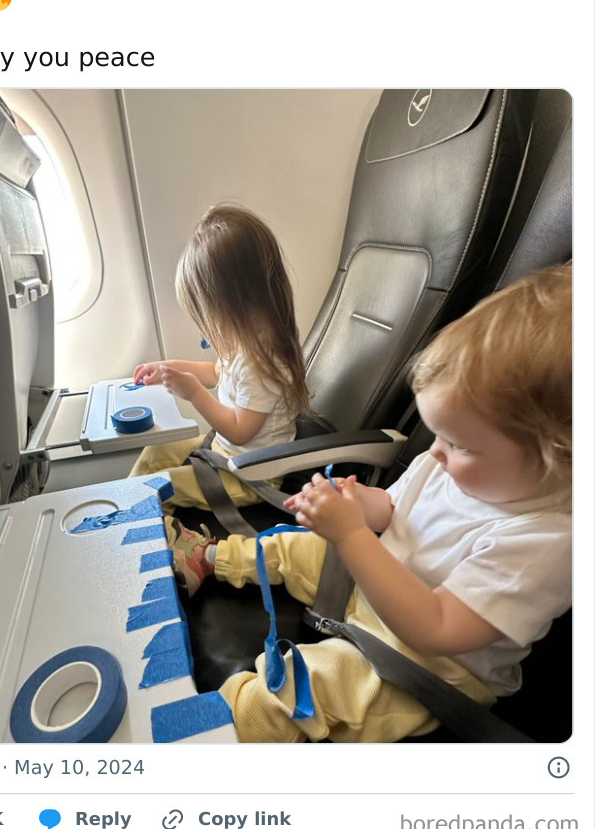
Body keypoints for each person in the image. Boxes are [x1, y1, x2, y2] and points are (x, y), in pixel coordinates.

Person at [167, 266, 572, 742]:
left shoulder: (546, 543)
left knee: (310, 682)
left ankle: (216, 733)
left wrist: (354, 536)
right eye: (437, 434)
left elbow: (435, 628)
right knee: (300, 547)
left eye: (461, 445)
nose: (435, 453)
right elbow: (392, 510)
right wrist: (358, 505)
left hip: (421, 667)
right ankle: (207, 558)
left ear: (561, 455)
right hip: (378, 591)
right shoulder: (445, 464)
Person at [130, 203, 310, 512]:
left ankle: (172, 546)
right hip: (227, 454)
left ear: (231, 303)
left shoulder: (263, 363)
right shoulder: (246, 342)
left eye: (208, 312)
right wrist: (167, 368)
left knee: (155, 488)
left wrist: (194, 394)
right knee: (154, 453)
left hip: (251, 476)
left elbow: (240, 430)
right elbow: (216, 372)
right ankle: (123, 511)